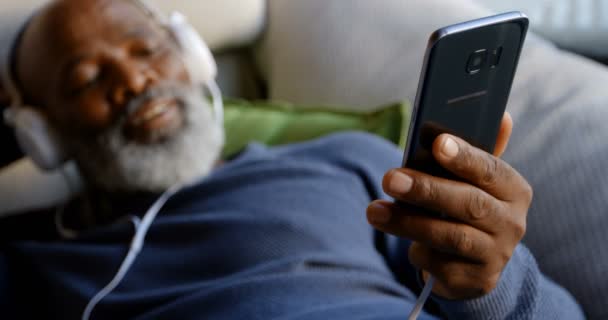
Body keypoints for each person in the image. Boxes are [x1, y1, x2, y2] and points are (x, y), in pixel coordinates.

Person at [0, 0, 584, 319]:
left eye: (147, 49)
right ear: (40, 134)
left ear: (192, 57)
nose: (134, 80)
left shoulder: (348, 161)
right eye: (85, 81)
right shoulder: (30, 263)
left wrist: (495, 284)